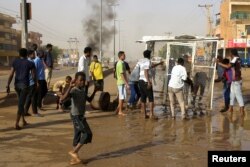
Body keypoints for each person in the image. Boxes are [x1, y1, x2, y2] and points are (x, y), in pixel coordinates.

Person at [61, 72, 94, 165]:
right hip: (76, 116)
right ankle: (74, 152)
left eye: (83, 80)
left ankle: (75, 158)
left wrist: (95, 90)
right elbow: (63, 98)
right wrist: (70, 87)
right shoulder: (73, 90)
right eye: (80, 80)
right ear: (76, 81)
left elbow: (89, 100)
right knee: (87, 133)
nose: (82, 82)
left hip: (81, 116)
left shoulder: (82, 90)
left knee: (77, 135)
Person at [6, 48, 36, 130]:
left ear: (19, 54)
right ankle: (16, 124)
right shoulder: (30, 63)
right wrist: (35, 84)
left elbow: (11, 74)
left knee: (21, 103)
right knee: (21, 104)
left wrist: (8, 85)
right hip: (25, 86)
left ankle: (23, 120)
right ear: (26, 54)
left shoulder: (15, 62)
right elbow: (33, 76)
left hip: (17, 85)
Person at [216, 49, 244, 116]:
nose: (229, 54)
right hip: (235, 79)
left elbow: (228, 66)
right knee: (232, 94)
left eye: (230, 53)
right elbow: (233, 68)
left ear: (232, 53)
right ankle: (231, 108)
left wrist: (219, 63)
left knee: (238, 94)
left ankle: (242, 109)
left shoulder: (235, 59)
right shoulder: (239, 59)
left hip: (236, 79)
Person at [138, 50, 163, 119]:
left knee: (143, 98)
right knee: (151, 99)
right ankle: (151, 114)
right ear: (149, 55)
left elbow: (150, 66)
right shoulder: (148, 61)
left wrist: (159, 63)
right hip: (146, 81)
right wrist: (149, 82)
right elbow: (146, 71)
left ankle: (144, 114)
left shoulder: (141, 61)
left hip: (140, 81)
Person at [24, 50, 43, 117]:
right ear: (30, 55)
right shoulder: (31, 62)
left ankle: (25, 111)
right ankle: (34, 112)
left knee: (29, 97)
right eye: (33, 54)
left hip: (27, 82)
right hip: (32, 82)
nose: (35, 55)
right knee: (34, 97)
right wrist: (36, 82)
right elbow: (33, 74)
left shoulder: (26, 61)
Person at [115, 51, 130, 116]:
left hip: (122, 82)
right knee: (121, 97)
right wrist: (126, 83)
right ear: (120, 56)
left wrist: (127, 82)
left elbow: (124, 74)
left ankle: (118, 110)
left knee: (122, 97)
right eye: (124, 55)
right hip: (121, 82)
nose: (125, 56)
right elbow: (121, 74)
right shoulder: (120, 64)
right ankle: (120, 111)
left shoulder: (122, 63)